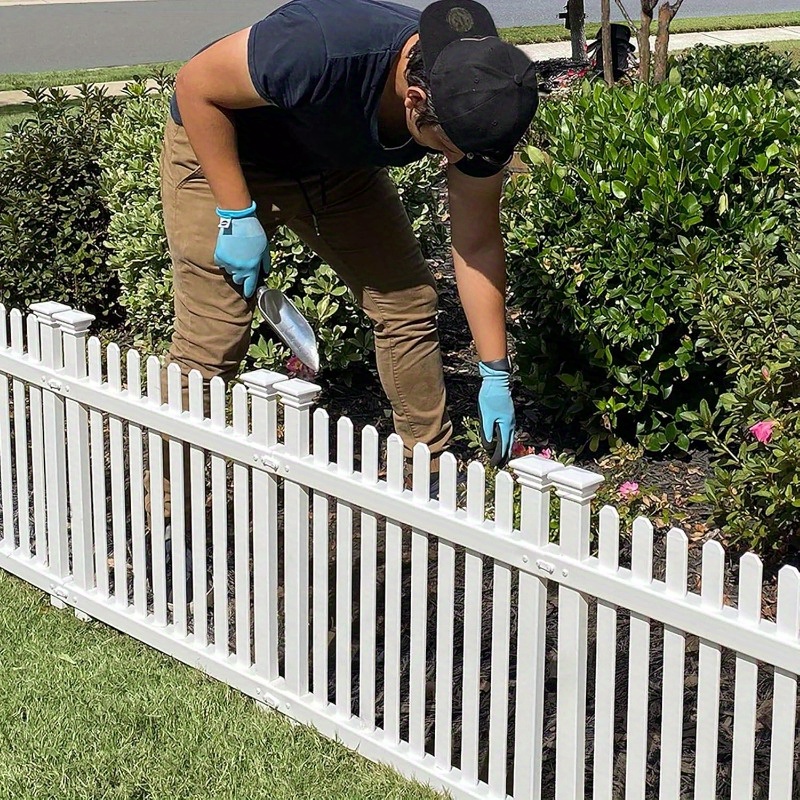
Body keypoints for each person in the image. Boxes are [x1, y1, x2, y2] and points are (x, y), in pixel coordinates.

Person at [160, 0, 539, 514]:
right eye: (445, 149)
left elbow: (475, 244)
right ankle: (163, 511)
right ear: (415, 99)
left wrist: (495, 371)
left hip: (336, 164)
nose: (455, 163)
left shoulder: (480, 111)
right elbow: (196, 86)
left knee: (407, 302)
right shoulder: (319, 47)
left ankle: (429, 474)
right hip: (230, 150)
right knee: (212, 341)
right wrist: (234, 213)